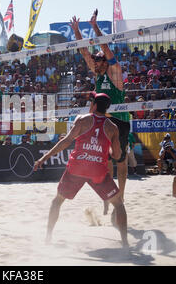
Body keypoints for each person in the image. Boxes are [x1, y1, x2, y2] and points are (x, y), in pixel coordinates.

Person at [34, 93, 128, 247]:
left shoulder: (82, 119)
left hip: (76, 168)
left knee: (57, 201)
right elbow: (117, 156)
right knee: (119, 204)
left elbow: (66, 141)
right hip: (98, 170)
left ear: (95, 105)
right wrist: (108, 149)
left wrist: (43, 158)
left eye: (91, 101)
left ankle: (48, 237)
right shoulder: (113, 127)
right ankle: (125, 243)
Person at [70, 10, 131, 216]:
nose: (95, 62)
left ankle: (120, 197)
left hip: (120, 121)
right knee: (104, 162)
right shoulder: (97, 72)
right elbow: (85, 52)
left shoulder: (114, 72)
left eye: (99, 60)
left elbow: (104, 47)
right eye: (95, 61)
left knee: (120, 162)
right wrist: (77, 31)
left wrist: (95, 27)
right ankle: (110, 196)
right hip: (104, 122)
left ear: (106, 62)